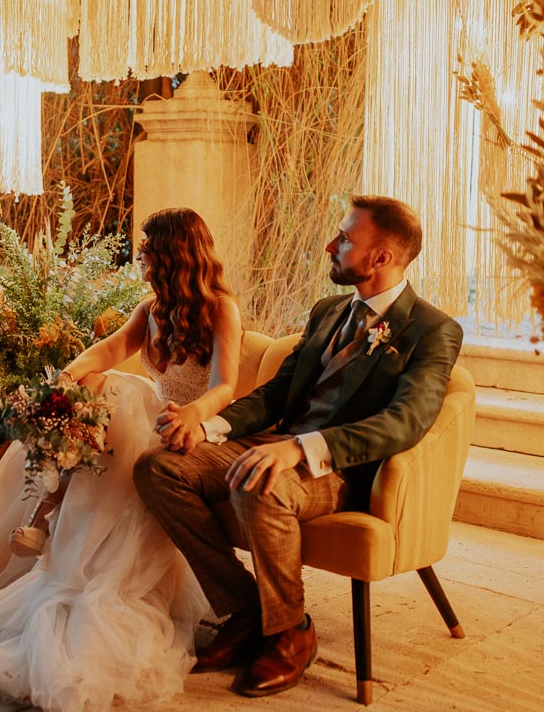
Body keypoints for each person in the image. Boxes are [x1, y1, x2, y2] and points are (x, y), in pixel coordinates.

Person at [135, 195, 464, 698]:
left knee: (259, 482)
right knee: (158, 468)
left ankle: (291, 632)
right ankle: (245, 610)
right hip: (273, 443)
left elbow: (406, 423)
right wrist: (209, 427)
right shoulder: (329, 311)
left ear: (381, 257)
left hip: (342, 469)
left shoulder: (431, 329)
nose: (331, 245)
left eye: (346, 238)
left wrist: (301, 449)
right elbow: (273, 397)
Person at [0, 208, 243, 712]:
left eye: (147, 247)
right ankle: (59, 514)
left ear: (175, 253)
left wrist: (193, 415)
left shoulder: (221, 309)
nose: (139, 254)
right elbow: (107, 348)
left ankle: (48, 511)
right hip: (148, 421)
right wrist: (62, 387)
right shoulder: (150, 308)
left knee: (115, 395)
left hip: (191, 426)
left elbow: (225, 385)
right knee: (94, 387)